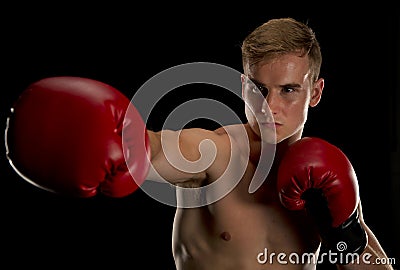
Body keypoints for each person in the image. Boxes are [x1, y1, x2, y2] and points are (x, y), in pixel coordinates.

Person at [5, 18, 394, 269]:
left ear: (316, 92)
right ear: (243, 87)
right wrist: (125, 145)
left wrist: (346, 229)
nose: (270, 107)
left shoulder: (326, 179)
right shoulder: (215, 152)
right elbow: (151, 149)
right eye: (259, 89)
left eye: (289, 90)